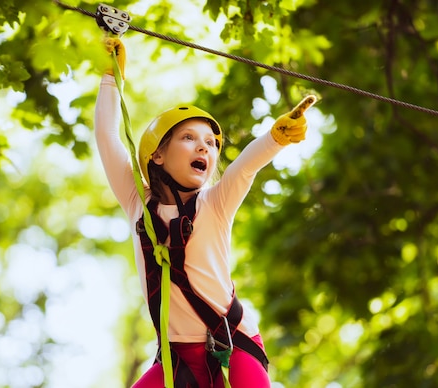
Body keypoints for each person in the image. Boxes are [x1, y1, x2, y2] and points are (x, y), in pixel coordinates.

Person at [94, 37, 316, 388]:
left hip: (234, 343)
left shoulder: (214, 203)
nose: (204, 146)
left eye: (211, 144)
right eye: (188, 138)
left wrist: (276, 138)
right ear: (157, 155)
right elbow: (108, 136)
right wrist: (111, 78)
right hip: (177, 358)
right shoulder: (139, 204)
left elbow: (243, 168)